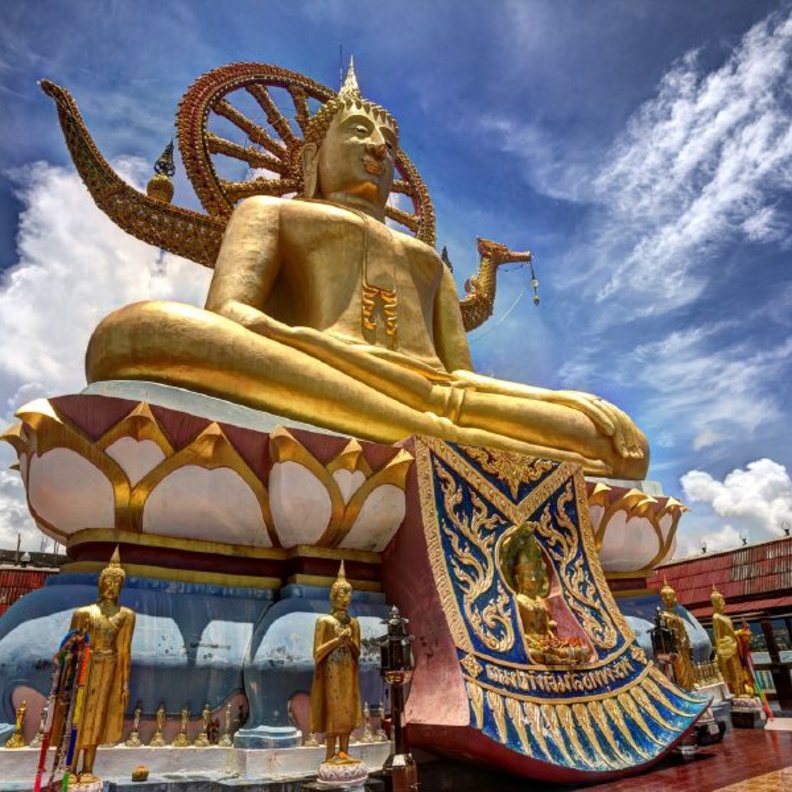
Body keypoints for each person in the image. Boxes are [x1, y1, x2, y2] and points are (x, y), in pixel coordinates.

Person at [86, 66, 648, 480]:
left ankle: (447, 436)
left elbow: (461, 377)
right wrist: (317, 346)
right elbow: (229, 316)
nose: (380, 148)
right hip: (321, 369)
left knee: (616, 442)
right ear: (312, 158)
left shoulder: (426, 259)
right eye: (358, 132)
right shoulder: (271, 211)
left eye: (390, 143)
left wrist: (568, 402)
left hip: (437, 396)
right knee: (138, 333)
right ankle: (456, 446)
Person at [68, 547, 136, 781]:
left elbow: (125, 650)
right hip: (85, 668)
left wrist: (125, 684)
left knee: (98, 717)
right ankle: (70, 766)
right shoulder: (84, 613)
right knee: (78, 716)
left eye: (116, 582)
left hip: (108, 667)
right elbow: (69, 647)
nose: (111, 586)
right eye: (107, 581)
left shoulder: (126, 615)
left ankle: (87, 767)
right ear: (100, 583)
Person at [502, 524, 590, 665]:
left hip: (549, 645)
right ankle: (556, 657)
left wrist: (552, 631)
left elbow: (548, 631)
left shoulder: (539, 600)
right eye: (527, 575)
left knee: (583, 651)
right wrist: (534, 643)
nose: (533, 579)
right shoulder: (519, 600)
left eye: (534, 574)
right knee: (533, 654)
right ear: (518, 579)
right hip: (534, 647)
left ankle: (559, 657)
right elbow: (520, 634)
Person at [310, 562, 362, 764]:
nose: (346, 599)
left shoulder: (354, 623)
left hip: (348, 671)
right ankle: (330, 753)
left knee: (347, 708)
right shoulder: (324, 622)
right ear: (334, 596)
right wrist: (336, 641)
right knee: (333, 708)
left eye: (349, 594)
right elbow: (316, 653)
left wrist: (349, 642)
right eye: (342, 594)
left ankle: (344, 751)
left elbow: (358, 654)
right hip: (331, 671)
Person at [659, 580, 694, 690]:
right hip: (675, 647)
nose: (673, 599)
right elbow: (666, 632)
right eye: (669, 596)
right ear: (664, 599)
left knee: (688, 668)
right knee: (680, 671)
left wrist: (686, 640)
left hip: (683, 646)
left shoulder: (676, 614)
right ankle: (684, 688)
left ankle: (690, 686)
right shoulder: (663, 615)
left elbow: (683, 630)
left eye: (673, 596)